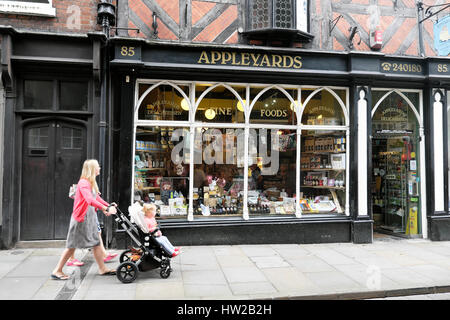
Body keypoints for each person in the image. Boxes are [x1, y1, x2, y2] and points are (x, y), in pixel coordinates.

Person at [51, 159, 118, 280]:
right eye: (98, 167)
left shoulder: (90, 182)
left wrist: (108, 206)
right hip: (81, 220)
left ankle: (102, 268)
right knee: (71, 246)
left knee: (96, 243)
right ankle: (57, 270)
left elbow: (96, 198)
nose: (100, 168)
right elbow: (90, 200)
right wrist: (105, 208)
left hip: (89, 218)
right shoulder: (83, 183)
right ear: (92, 169)